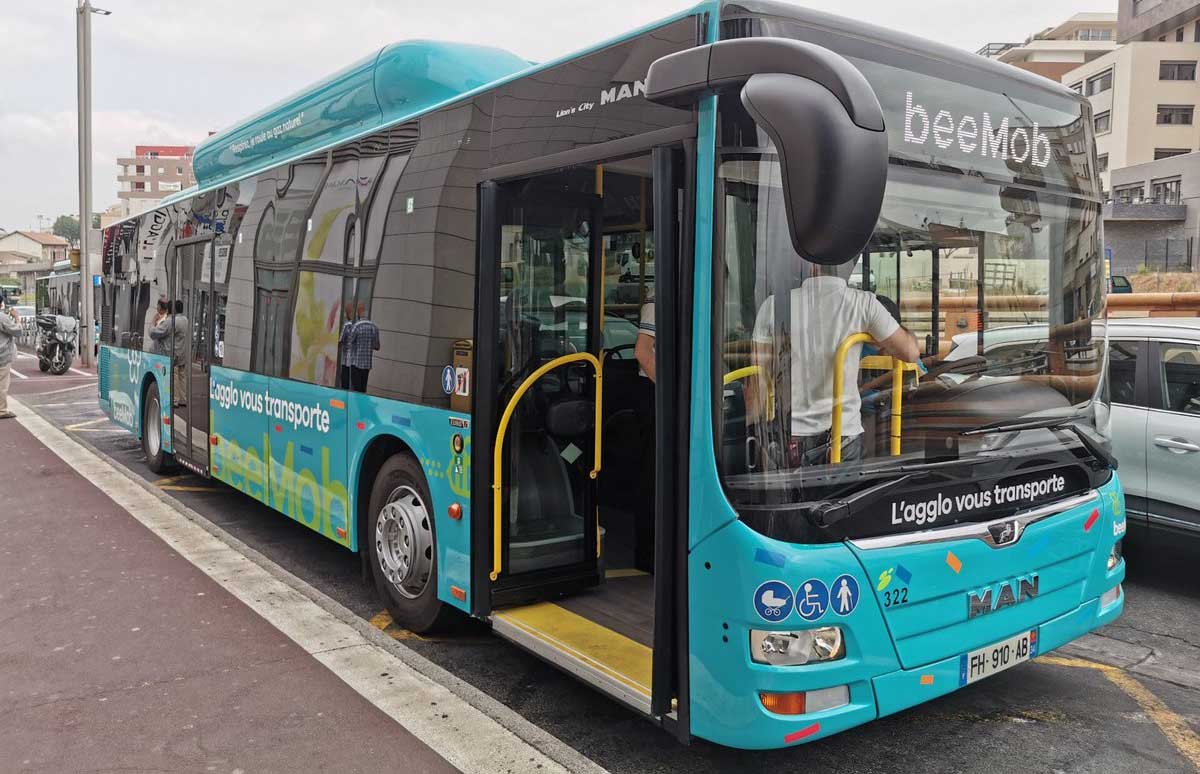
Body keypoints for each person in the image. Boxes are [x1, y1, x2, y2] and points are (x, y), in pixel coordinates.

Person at [753, 262, 919, 467]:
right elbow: (910, 352)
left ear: (810, 266)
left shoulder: (774, 305)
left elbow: (756, 380)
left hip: (789, 435)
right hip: (842, 438)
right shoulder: (863, 303)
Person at [632, 298, 656, 572]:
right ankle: (647, 553)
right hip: (653, 392)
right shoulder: (655, 303)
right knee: (652, 474)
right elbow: (642, 352)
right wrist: (669, 390)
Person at [150, 298, 189, 406]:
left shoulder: (172, 321)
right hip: (182, 352)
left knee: (174, 375)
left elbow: (155, 333)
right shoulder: (185, 319)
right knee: (182, 375)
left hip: (173, 352)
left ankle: (175, 400)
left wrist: (153, 323)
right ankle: (183, 398)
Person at [340, 302, 379, 393]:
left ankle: (354, 406)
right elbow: (377, 346)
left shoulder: (356, 326)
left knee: (353, 389)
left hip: (355, 363)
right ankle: (362, 406)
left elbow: (349, 343)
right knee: (362, 388)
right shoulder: (374, 327)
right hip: (367, 365)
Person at [0, 301, 22, 420]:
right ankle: (2, 410)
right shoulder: (2, 317)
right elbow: (17, 331)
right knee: (2, 384)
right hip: (2, 355)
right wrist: (16, 318)